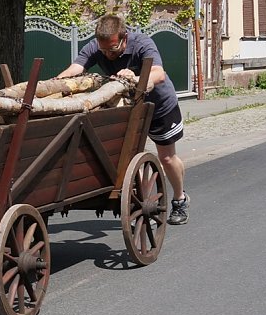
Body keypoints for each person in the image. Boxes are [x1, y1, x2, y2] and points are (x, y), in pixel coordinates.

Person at [56, 14, 190, 225]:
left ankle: (180, 199)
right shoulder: (96, 46)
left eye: (113, 49)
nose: (108, 55)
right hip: (129, 108)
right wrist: (56, 83)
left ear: (124, 37)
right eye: (104, 51)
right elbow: (76, 69)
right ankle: (142, 203)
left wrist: (135, 79)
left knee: (166, 158)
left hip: (160, 106)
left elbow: (158, 73)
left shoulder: (142, 44)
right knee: (126, 158)